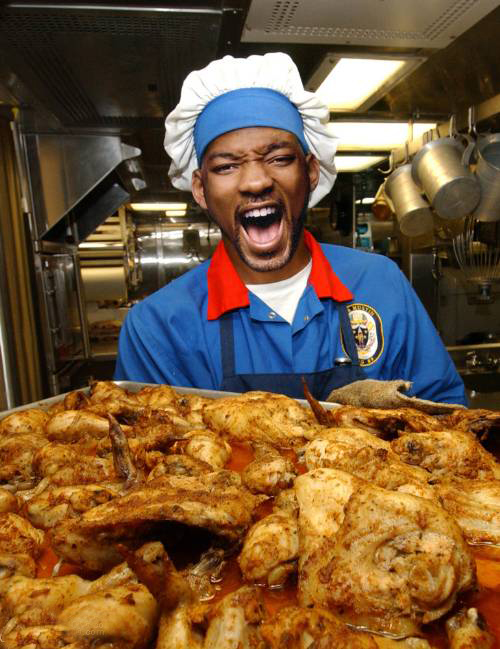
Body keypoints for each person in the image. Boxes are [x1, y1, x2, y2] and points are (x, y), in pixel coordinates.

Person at [114, 52, 467, 406]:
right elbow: (150, 435)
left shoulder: (379, 284)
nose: (256, 181)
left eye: (279, 159)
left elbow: (447, 415)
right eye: (226, 167)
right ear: (200, 189)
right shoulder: (159, 328)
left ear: (311, 171)